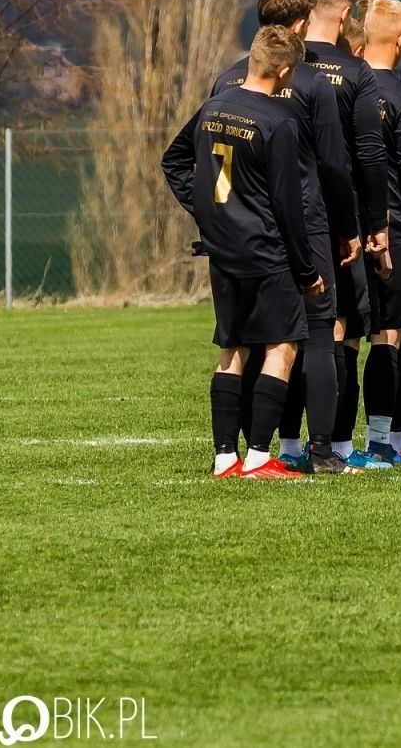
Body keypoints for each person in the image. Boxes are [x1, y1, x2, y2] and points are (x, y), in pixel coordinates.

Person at [161, 25, 330, 478]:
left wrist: (206, 211)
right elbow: (288, 206)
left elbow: (173, 160)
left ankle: (224, 458)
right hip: (266, 249)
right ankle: (258, 455)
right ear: (285, 70)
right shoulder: (279, 121)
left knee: (232, 348)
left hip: (222, 249)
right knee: (283, 346)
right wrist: (306, 268)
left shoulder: (214, 105)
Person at [210, 0, 360, 473]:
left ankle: (238, 453)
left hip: (237, 227)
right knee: (317, 334)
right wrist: (349, 228)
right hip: (304, 223)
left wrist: (212, 211)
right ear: (299, 27)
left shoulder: (227, 82)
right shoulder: (314, 83)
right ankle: (318, 450)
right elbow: (335, 165)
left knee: (244, 341)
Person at [300, 0, 390, 467]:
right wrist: (375, 223)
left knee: (280, 336)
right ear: (341, 13)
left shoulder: (283, 68)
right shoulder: (355, 74)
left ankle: (271, 446)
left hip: (280, 215)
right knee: (339, 330)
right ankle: (332, 444)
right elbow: (369, 155)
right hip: (339, 217)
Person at [349, 0, 401, 466]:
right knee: (389, 336)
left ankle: (334, 445)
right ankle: (380, 441)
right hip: (394, 227)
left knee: (344, 337)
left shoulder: (340, 83)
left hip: (344, 229)